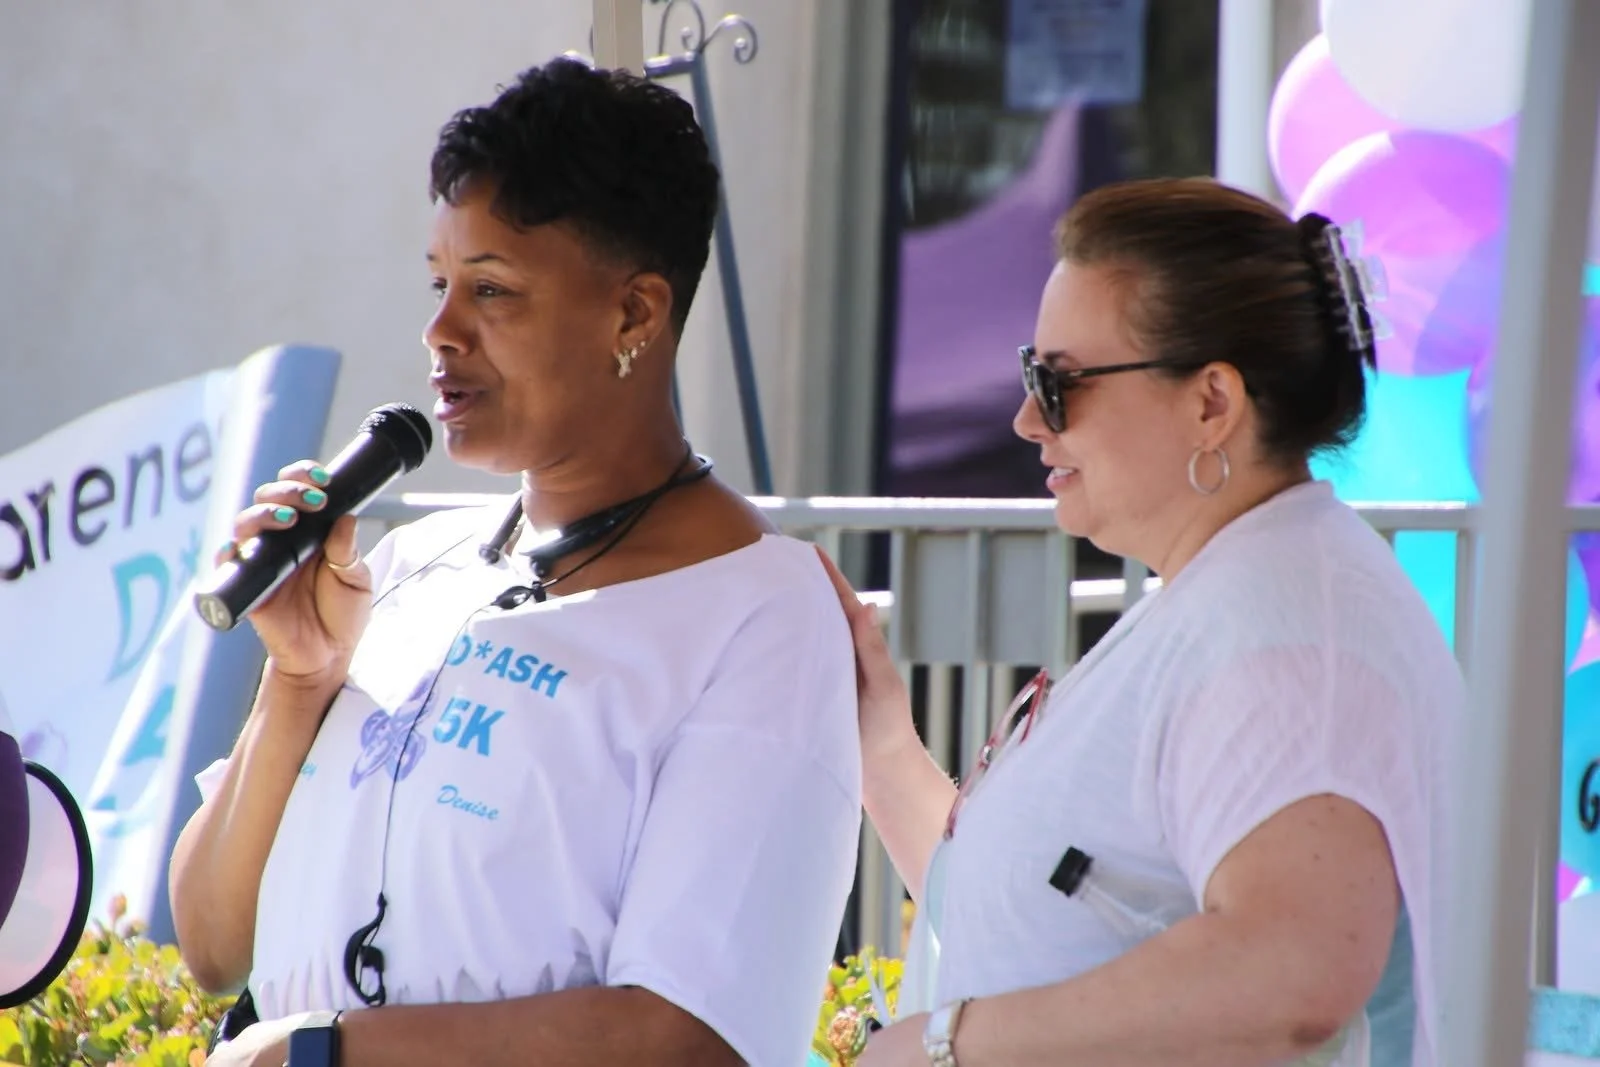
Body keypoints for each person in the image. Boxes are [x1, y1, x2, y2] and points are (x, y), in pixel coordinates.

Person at [170, 57, 861, 1067]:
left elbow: (689, 1035)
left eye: (491, 290)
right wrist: (299, 677)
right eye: (440, 282)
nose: (439, 330)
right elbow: (213, 943)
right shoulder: (406, 567)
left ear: (635, 314)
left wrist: (327, 1051)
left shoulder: (761, 610)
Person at [821, 177, 1459, 1067]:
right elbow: (1048, 921)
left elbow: (1292, 971)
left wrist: (947, 1046)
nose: (1025, 419)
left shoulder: (1285, 637)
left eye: (1057, 382)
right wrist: (884, 752)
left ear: (1212, 405)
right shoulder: (1236, 591)